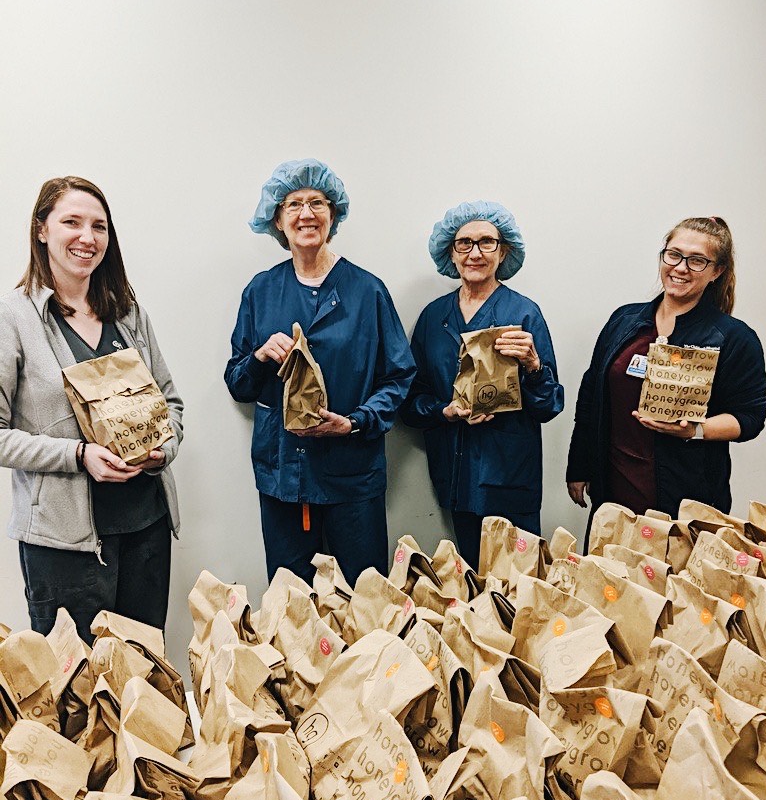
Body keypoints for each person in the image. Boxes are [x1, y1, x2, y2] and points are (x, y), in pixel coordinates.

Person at [0, 176, 183, 644]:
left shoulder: (128, 313)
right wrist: (78, 456)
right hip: (65, 547)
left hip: (146, 529)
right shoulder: (13, 318)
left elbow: (171, 402)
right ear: (42, 230)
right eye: (72, 222)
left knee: (145, 683)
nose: (88, 237)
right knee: (79, 696)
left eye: (99, 226)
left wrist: (165, 446)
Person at [225, 158, 415, 586]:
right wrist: (258, 358)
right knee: (290, 607)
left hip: (353, 479)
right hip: (283, 478)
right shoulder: (261, 291)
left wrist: (353, 423)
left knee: (364, 601)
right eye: (293, 204)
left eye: (317, 203)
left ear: (334, 215)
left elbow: (399, 376)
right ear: (277, 219)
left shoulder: (367, 291)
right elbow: (237, 382)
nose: (305, 213)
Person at [566, 216, 766, 523]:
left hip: (687, 499)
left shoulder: (734, 338)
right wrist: (579, 467)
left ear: (718, 271)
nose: (681, 267)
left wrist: (695, 430)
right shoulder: (624, 321)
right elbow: (592, 396)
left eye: (697, 260)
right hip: (614, 493)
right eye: (674, 254)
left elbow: (750, 418)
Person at [400, 201, 564, 569]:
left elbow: (551, 405)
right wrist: (445, 411)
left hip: (510, 476)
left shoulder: (524, 314)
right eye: (464, 244)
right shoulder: (433, 318)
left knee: (521, 589)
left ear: (503, 251)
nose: (475, 253)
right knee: (473, 581)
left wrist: (534, 365)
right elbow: (410, 400)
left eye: (487, 243)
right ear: (451, 254)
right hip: (456, 479)